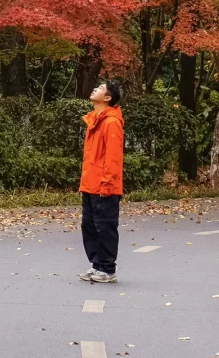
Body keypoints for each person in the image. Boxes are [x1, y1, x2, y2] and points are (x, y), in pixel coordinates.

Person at [79, 78, 124, 284]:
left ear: (107, 98)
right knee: (89, 226)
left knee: (105, 226)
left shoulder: (111, 122)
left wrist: (106, 184)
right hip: (90, 184)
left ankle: (108, 269)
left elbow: (113, 158)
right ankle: (97, 265)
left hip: (104, 187)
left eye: (100, 88)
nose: (95, 88)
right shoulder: (94, 120)